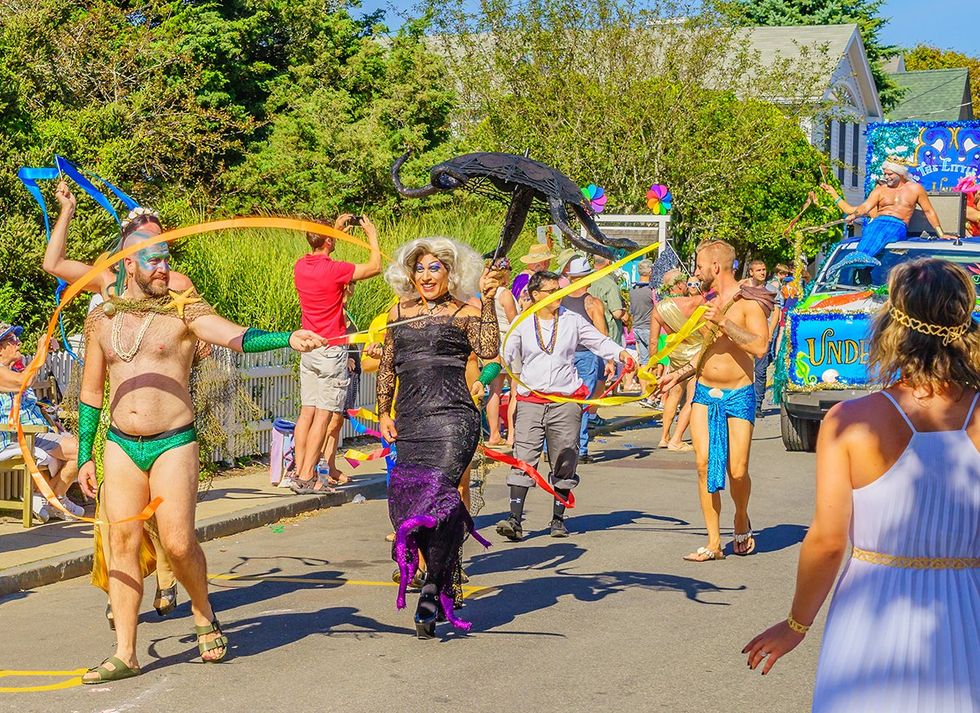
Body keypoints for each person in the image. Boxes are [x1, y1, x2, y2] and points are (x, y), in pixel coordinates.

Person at [75, 226, 325, 682]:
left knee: (177, 541)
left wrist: (287, 338)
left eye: (166, 258)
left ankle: (203, 611)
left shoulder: (184, 308)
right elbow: (92, 391)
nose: (164, 267)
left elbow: (232, 336)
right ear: (128, 263)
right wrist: (85, 455)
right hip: (119, 444)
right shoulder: (102, 319)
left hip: (173, 440)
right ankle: (126, 652)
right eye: (153, 259)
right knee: (122, 544)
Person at [744, 258, 979, 712]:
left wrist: (796, 625)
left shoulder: (850, 421)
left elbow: (829, 540)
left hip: (874, 608)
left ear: (892, 326)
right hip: (968, 608)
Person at [377, 237, 501, 639]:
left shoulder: (466, 312)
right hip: (411, 422)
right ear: (409, 274)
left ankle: (431, 589)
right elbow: (385, 368)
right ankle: (440, 577)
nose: (426, 276)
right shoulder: (398, 312)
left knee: (440, 496)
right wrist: (383, 412)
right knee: (408, 505)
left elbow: (489, 349)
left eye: (435, 268)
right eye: (420, 268)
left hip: (452, 421)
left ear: (451, 272)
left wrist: (487, 299)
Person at [497, 271, 635, 542]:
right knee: (524, 457)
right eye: (551, 291)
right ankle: (514, 519)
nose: (558, 295)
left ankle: (558, 519)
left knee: (564, 457)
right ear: (536, 295)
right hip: (531, 401)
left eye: (558, 290)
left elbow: (599, 341)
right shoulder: (522, 324)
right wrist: (488, 372)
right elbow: (504, 354)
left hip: (565, 402)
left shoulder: (572, 321)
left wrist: (622, 354)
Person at [659, 240, 772, 562]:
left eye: (699, 267)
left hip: (739, 393)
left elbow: (761, 347)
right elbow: (701, 353)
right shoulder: (706, 302)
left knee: (737, 471)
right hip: (705, 393)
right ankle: (713, 543)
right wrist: (676, 376)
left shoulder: (748, 303)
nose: (696, 273)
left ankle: (740, 517)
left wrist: (725, 323)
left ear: (716, 268)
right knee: (703, 465)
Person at [291, 214, 381, 494]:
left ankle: (297, 471)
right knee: (324, 416)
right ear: (329, 240)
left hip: (310, 347)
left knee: (307, 412)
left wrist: (334, 232)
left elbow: (323, 248)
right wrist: (371, 236)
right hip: (331, 349)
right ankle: (307, 476)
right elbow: (375, 266)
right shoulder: (334, 269)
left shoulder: (300, 266)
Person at [44, 182, 197, 298]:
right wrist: (67, 210)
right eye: (141, 238)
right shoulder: (108, 281)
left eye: (156, 239)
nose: (149, 244)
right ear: (126, 244)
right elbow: (54, 264)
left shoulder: (178, 284)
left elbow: (203, 333)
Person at [0, 323, 83, 522]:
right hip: (19, 436)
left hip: (36, 432)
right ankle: (56, 498)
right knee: (83, 451)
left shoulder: (11, 370)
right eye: (12, 340)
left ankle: (49, 497)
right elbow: (24, 382)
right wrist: (41, 350)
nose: (18, 342)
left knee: (82, 448)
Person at [835, 160, 955, 271]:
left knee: (884, 231)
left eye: (890, 174)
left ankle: (861, 257)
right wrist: (854, 216)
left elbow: (929, 211)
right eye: (885, 174)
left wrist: (941, 233)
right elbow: (865, 206)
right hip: (878, 221)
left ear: (900, 174)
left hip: (898, 224)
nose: (886, 177)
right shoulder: (880, 190)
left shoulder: (915, 189)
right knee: (873, 230)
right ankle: (861, 263)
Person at [563, 257, 610, 463]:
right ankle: (580, 450)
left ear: (571, 278)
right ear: (588, 278)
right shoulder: (592, 302)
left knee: (559, 399)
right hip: (586, 355)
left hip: (563, 354)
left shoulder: (558, 300)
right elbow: (602, 335)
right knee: (583, 401)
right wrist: (610, 360)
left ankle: (551, 447)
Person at [650, 270, 704, 451]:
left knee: (673, 396)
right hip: (695, 354)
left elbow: (653, 340)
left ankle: (664, 436)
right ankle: (677, 438)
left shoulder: (658, 308)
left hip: (675, 354)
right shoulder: (696, 302)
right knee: (691, 398)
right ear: (680, 285)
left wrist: (653, 364)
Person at [744, 260, 783, 416]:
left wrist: (769, 333)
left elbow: (776, 313)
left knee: (760, 371)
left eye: (764, 269)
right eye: (758, 270)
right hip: (745, 335)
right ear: (751, 272)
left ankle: (757, 405)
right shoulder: (744, 289)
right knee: (745, 370)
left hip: (763, 335)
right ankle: (744, 402)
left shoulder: (773, 291)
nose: (762, 272)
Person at [488, 257, 518, 446]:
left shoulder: (486, 294)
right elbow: (514, 320)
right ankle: (512, 435)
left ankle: (493, 434)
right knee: (515, 390)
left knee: (494, 391)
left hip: (492, 344)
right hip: (509, 343)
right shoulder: (504, 294)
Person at [627, 259, 655, 386]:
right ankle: (652, 392)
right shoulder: (651, 291)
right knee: (655, 361)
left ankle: (644, 392)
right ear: (650, 271)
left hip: (637, 327)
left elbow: (631, 310)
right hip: (649, 328)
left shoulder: (633, 290)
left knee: (644, 361)